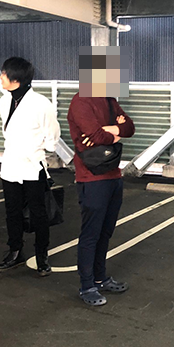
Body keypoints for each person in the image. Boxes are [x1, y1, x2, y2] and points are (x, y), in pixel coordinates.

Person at [0, 57, 60, 276]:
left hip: (33, 166)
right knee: (12, 212)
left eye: (4, 74)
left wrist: (37, 148)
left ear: (16, 79)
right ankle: (15, 252)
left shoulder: (41, 104)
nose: (1, 77)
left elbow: (52, 137)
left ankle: (42, 256)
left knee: (39, 213)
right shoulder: (3, 102)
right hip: (10, 165)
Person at [67, 93, 135, 306]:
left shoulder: (109, 100)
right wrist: (115, 132)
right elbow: (96, 136)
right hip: (91, 177)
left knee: (105, 232)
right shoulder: (81, 101)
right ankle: (87, 286)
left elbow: (129, 128)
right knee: (91, 234)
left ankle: (100, 278)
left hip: (113, 175)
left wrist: (109, 130)